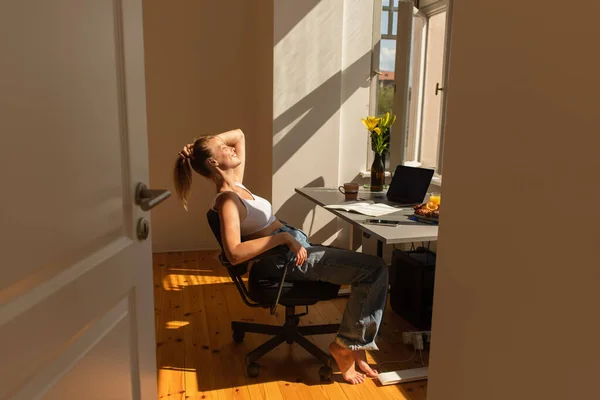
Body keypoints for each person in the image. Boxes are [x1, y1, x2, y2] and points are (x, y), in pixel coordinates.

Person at [173, 129, 389, 385]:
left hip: (294, 248)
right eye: (222, 148)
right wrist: (283, 238)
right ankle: (346, 346)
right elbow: (233, 254)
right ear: (213, 162)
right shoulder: (227, 201)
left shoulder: (237, 185)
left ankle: (355, 344)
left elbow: (240, 135)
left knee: (367, 270)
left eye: (225, 145)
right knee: (374, 269)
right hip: (285, 260)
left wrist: (197, 149)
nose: (229, 148)